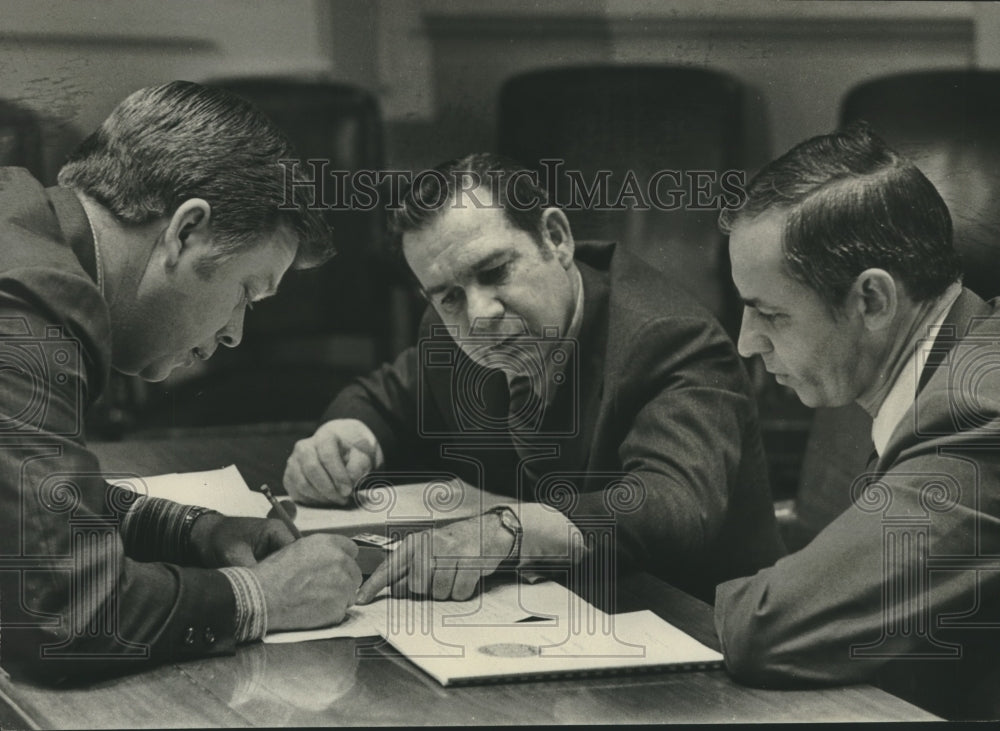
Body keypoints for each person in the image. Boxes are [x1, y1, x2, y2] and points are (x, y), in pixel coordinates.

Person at [284, 153, 784, 605]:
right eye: (449, 296)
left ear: (556, 238)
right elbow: (386, 395)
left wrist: (509, 530)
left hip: (692, 630)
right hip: (539, 619)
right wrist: (346, 438)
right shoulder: (449, 330)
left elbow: (674, 504)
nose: (477, 314)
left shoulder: (670, 339)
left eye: (495, 271)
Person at [0, 81, 362, 683]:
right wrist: (259, 597)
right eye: (246, 292)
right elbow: (61, 615)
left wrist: (194, 531)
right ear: (186, 230)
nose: (234, 334)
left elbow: (25, 510)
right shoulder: (32, 302)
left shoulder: (19, 227)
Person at [715, 122, 1000, 719]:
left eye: (770, 314)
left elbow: (767, 627)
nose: (746, 344)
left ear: (873, 300)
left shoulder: (977, 408)